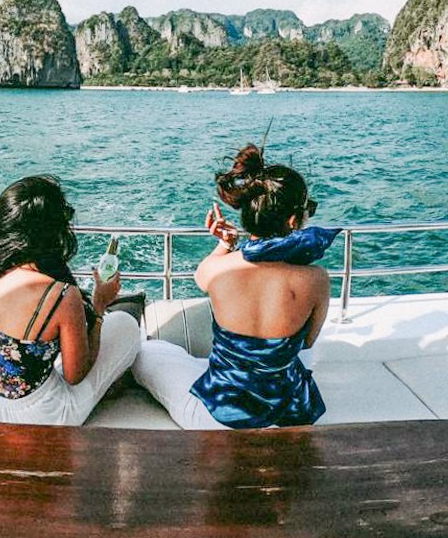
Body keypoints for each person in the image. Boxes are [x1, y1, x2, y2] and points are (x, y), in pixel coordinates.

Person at [134, 144, 331, 429]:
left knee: (148, 352)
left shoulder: (219, 269)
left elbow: (201, 277)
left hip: (217, 418)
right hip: (285, 416)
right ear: (292, 221)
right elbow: (307, 343)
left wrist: (226, 244)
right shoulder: (316, 279)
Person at [0, 175, 141, 425]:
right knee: (125, 325)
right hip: (38, 417)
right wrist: (99, 307)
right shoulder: (61, 295)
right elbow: (75, 375)